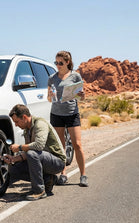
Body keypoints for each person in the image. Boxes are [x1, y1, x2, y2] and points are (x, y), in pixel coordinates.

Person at [3, 104, 66, 201]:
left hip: (57, 162)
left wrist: (19, 147)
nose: (16, 125)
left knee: (32, 153)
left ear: (24, 117)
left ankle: (39, 191)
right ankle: (48, 179)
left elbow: (38, 146)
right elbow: (28, 152)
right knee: (14, 168)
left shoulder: (40, 124)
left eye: (16, 121)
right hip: (42, 159)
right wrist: (14, 159)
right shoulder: (26, 131)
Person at [47, 50, 88, 187]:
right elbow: (48, 99)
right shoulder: (52, 78)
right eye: (56, 62)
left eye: (60, 63)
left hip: (72, 114)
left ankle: (83, 175)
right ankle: (63, 174)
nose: (58, 65)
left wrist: (82, 94)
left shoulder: (75, 76)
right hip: (56, 114)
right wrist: (50, 95)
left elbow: (81, 97)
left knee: (77, 144)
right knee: (61, 146)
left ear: (67, 62)